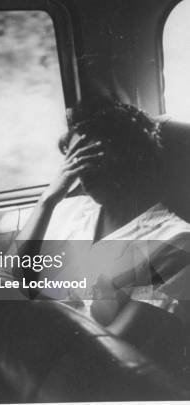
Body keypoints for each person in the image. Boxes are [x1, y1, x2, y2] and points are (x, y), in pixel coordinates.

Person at [10, 98, 190, 329]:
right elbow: (15, 284)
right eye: (75, 161)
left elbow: (119, 343)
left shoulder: (175, 240)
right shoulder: (70, 209)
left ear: (133, 157)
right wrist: (47, 201)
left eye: (94, 158)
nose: (84, 172)